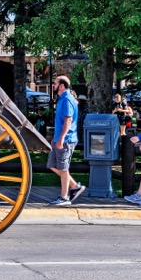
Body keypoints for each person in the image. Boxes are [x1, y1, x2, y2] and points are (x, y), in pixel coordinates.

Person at [48, 75, 85, 206]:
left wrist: (62, 138)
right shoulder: (62, 99)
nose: (53, 85)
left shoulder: (67, 99)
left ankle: (64, 197)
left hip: (66, 139)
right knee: (52, 165)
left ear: (62, 86)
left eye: (55, 83)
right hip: (59, 138)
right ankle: (75, 186)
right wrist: (56, 137)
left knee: (63, 169)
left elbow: (68, 120)